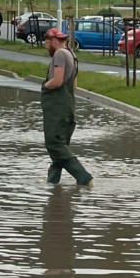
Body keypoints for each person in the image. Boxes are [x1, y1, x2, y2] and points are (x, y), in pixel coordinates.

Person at [41, 27, 93, 186]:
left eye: (46, 42)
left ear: (54, 41)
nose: (45, 45)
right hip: (68, 106)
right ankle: (52, 183)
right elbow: (74, 85)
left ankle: (84, 178)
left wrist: (44, 86)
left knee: (54, 144)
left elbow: (57, 81)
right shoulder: (71, 54)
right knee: (60, 147)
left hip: (58, 109)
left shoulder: (59, 54)